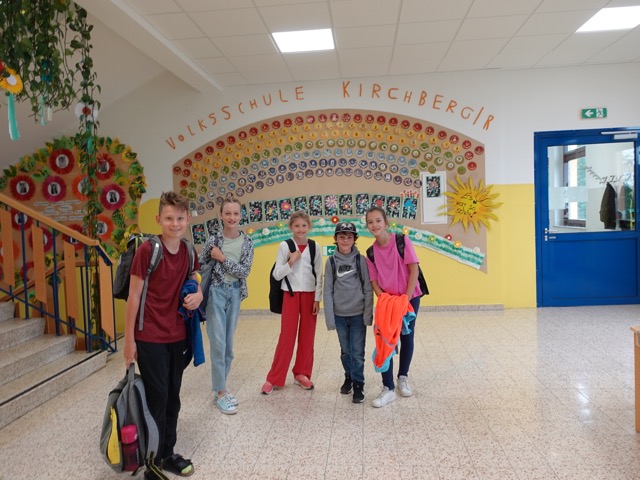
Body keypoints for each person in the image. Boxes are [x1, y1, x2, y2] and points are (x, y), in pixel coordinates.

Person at [124, 191, 202, 479]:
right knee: (156, 398)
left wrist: (199, 293)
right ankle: (151, 461)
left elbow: (194, 278)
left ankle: (167, 453)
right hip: (150, 337)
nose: (175, 224)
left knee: (172, 397)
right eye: (169, 218)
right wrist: (129, 341)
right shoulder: (148, 251)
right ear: (158, 219)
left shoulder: (189, 251)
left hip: (177, 336)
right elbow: (134, 297)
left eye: (180, 218)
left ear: (188, 219)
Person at [198, 198, 254, 415]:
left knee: (228, 347)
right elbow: (201, 264)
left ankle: (221, 386)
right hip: (215, 293)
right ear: (220, 215)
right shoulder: (213, 240)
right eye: (227, 213)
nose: (232, 217)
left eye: (236, 213)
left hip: (235, 294)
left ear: (241, 215)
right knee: (218, 344)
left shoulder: (247, 242)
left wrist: (222, 259)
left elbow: (244, 271)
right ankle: (220, 392)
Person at [365, 206, 422, 408]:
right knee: (385, 340)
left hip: (409, 297)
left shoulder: (401, 241)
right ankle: (388, 388)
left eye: (378, 220)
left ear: (386, 222)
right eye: (370, 222)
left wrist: (405, 299)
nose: (374, 225)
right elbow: (374, 281)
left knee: (407, 336)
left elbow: (413, 269)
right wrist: (385, 300)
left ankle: (402, 377)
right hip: (388, 302)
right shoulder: (370, 253)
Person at [261, 211, 323, 394]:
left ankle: (302, 373)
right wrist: (291, 261)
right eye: (297, 226)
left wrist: (317, 299)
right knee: (286, 337)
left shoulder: (315, 246)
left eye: (304, 225)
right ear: (291, 227)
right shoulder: (285, 246)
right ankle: (274, 378)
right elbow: (276, 274)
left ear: (309, 226)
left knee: (307, 337)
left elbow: (319, 274)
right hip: (290, 295)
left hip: (310, 296)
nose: (301, 229)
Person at [323, 221, 373, 403]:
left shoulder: (361, 260)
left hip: (358, 314)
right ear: (335, 239)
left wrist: (368, 314)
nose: (345, 240)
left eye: (349, 237)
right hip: (340, 316)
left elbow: (368, 288)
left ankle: (359, 384)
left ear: (354, 239)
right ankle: (349, 376)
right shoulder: (331, 262)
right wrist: (330, 319)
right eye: (342, 236)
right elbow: (327, 291)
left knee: (357, 352)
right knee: (346, 351)